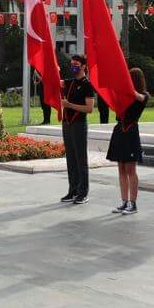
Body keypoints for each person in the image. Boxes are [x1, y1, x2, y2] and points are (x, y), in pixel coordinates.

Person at [107, 68, 150, 215]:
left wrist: (126, 86)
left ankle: (133, 203)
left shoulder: (144, 95)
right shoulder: (124, 94)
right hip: (119, 130)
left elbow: (139, 97)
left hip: (130, 131)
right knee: (121, 168)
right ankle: (124, 201)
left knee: (131, 169)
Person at [60, 55, 96, 204]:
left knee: (81, 158)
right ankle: (72, 190)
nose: (73, 66)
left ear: (83, 66)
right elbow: (54, 81)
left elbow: (89, 108)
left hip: (79, 124)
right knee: (70, 158)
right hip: (67, 124)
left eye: (76, 64)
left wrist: (69, 105)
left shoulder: (87, 84)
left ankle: (83, 192)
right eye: (71, 64)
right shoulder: (70, 82)